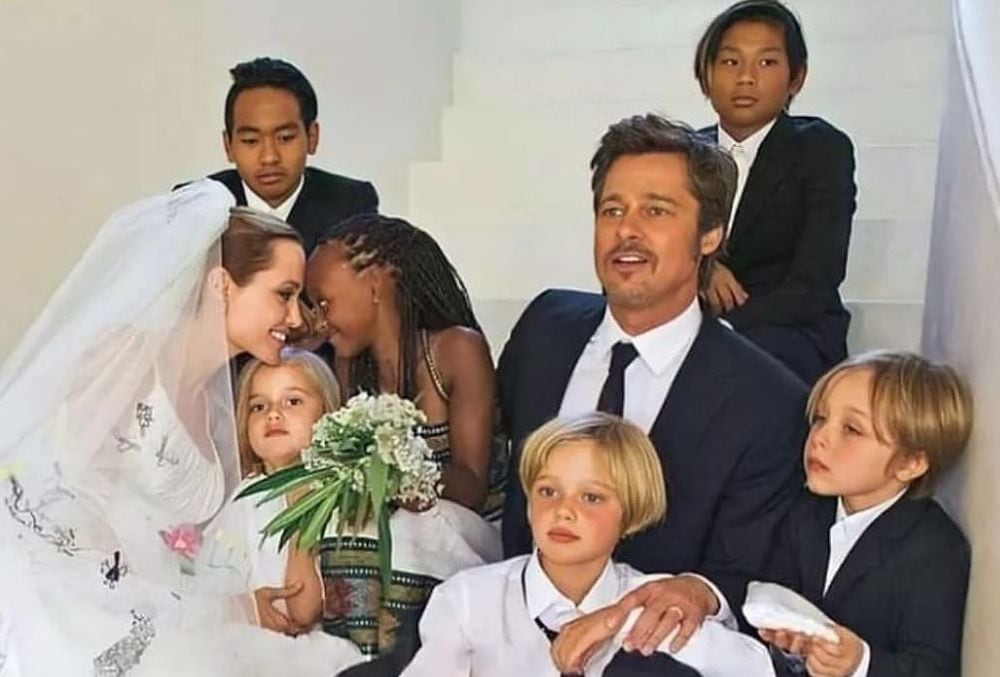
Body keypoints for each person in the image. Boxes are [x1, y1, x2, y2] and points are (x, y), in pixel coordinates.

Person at [498, 114, 807, 670]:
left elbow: (745, 569)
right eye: (612, 210)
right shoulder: (546, 326)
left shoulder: (766, 399)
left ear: (710, 235)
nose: (627, 231)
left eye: (656, 211)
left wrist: (698, 591)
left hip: (648, 657)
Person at [0, 181, 315, 673]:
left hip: (155, 608)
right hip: (65, 594)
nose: (295, 317)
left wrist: (232, 604)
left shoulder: (221, 410)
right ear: (222, 285)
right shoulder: (124, 356)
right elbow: (60, 494)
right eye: (284, 295)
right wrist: (178, 607)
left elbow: (182, 549)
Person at [403, 413, 776, 676]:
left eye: (591, 497)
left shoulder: (651, 601)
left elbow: (757, 668)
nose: (564, 510)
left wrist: (619, 621)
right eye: (547, 491)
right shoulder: (467, 599)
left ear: (630, 514)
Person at [757, 352, 971, 677]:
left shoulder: (935, 549)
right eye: (821, 418)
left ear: (910, 463)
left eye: (852, 430)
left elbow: (933, 667)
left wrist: (861, 662)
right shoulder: (803, 509)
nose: (820, 438)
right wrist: (788, 643)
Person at [694, 0, 857, 385]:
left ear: (796, 78)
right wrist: (701, 266)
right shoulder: (680, 153)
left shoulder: (820, 148)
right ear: (707, 74)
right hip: (690, 320)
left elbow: (815, 282)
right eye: (730, 61)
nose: (746, 78)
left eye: (766, 62)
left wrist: (716, 331)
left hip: (789, 330)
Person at [186, 56, 379, 255]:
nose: (269, 157)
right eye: (251, 141)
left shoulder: (350, 204)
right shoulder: (196, 206)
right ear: (228, 146)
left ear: (312, 137)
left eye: (285, 138)